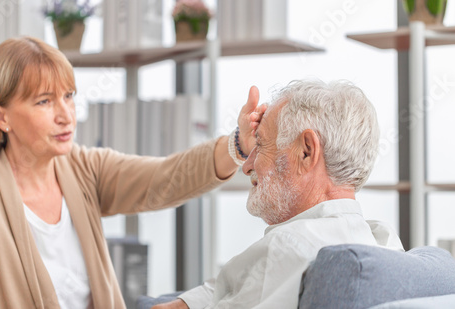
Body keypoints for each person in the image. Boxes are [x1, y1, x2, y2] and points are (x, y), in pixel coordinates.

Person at [0, 36, 264, 308]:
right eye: (44, 101)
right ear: (0, 116)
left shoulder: (83, 167)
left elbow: (164, 179)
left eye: (69, 96)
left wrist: (237, 144)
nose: (66, 115)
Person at [153, 80, 404, 309]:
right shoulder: (384, 242)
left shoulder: (287, 246)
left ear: (306, 151)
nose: (247, 166)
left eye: (260, 145)